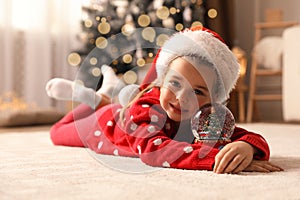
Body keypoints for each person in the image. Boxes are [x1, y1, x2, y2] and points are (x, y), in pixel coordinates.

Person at [45, 26, 283, 174]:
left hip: (122, 109)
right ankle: (95, 99)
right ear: (161, 80)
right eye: (175, 84)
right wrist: (214, 159)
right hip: (105, 123)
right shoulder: (145, 108)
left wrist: (247, 147)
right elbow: (155, 152)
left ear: (213, 100)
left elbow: (244, 135)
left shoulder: (207, 117)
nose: (181, 98)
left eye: (198, 92)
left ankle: (105, 96)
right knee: (57, 132)